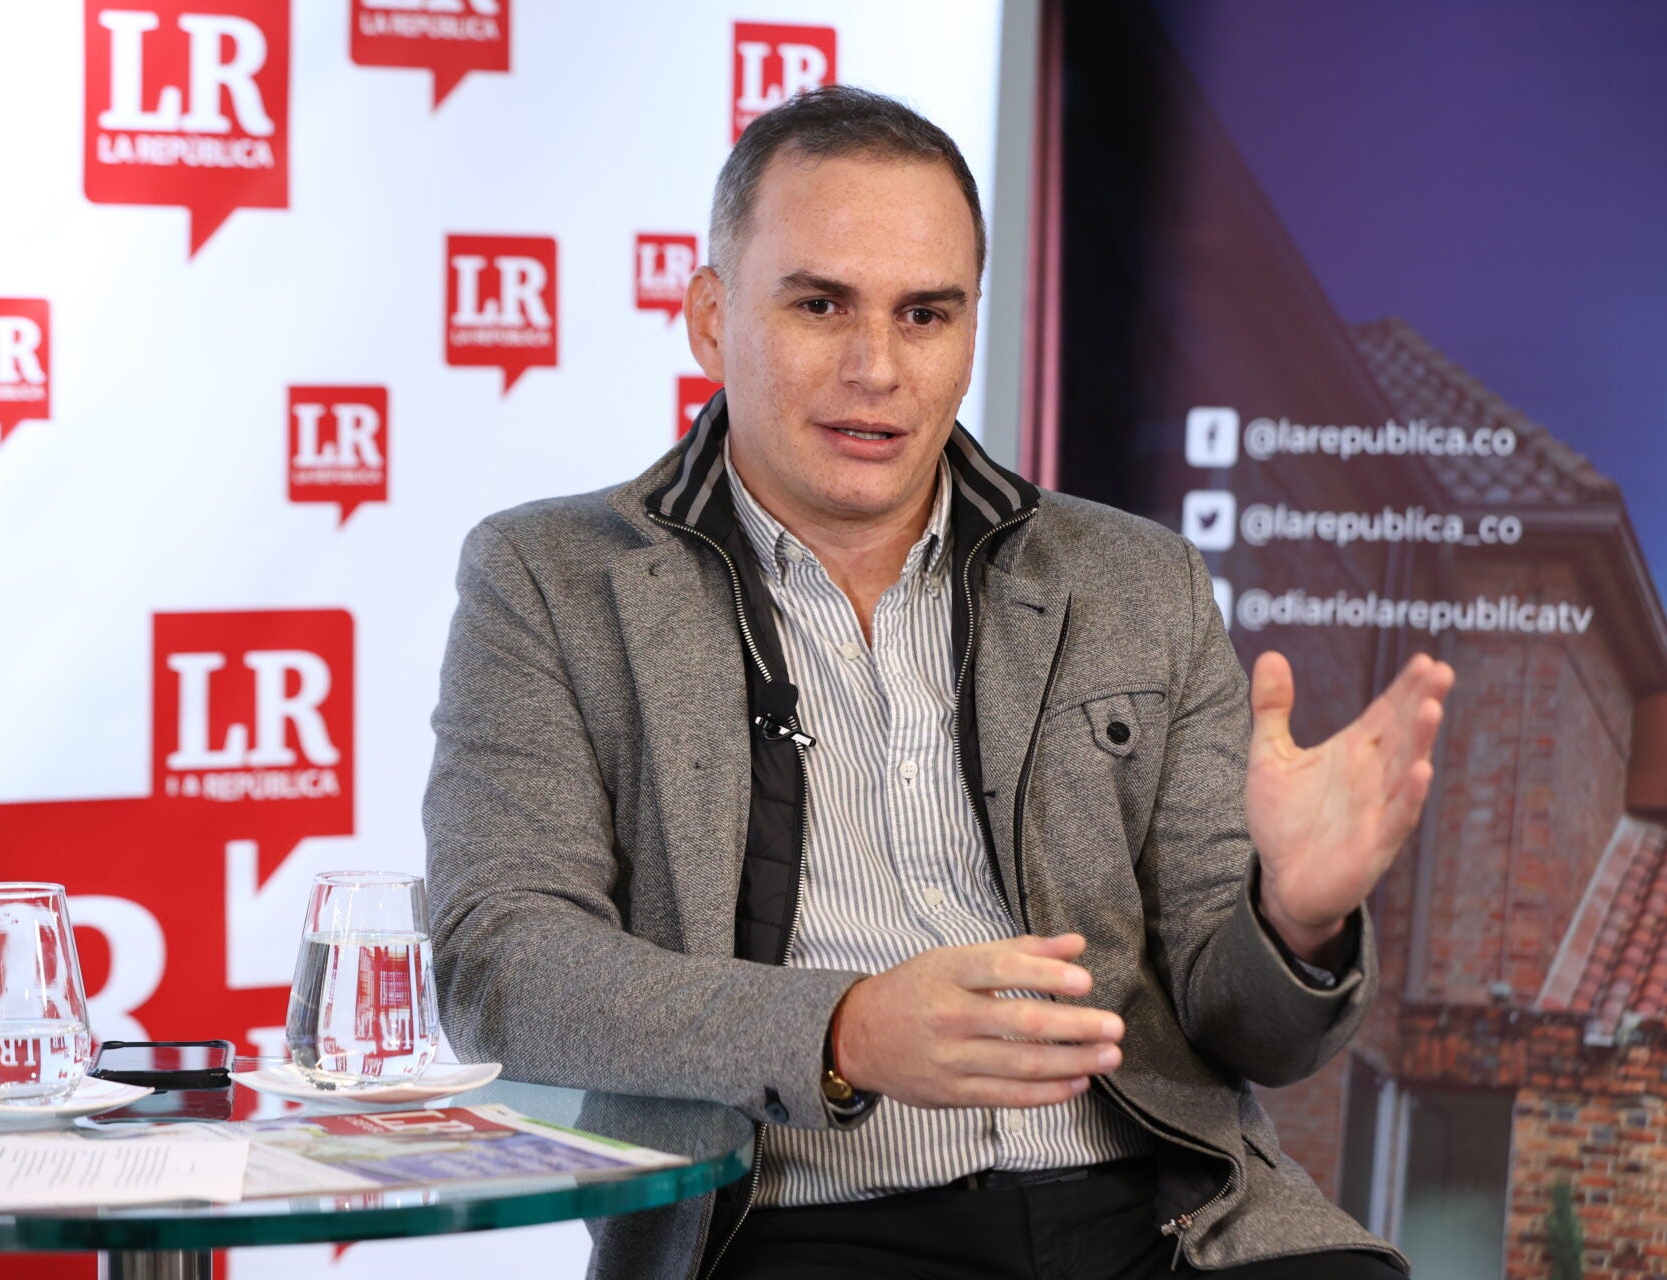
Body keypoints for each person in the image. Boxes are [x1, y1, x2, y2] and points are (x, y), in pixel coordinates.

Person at [425, 86, 1453, 1280]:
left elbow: (1254, 1034)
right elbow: (504, 963)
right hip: (795, 1228)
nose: (876, 368)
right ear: (710, 317)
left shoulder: (1135, 579)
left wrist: (1295, 920)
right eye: (820, 304)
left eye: (925, 314)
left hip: (1165, 1220)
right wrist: (845, 1029)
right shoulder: (552, 577)